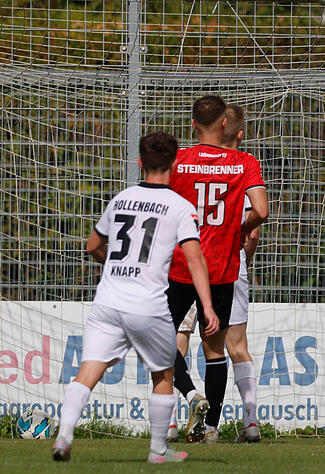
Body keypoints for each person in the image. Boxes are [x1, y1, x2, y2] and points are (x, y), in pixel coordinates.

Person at [51, 132, 218, 464]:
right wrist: (208, 306)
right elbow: (195, 258)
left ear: (140, 162)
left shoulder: (121, 199)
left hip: (109, 300)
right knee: (164, 376)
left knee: (88, 371)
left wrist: (115, 265)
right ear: (175, 164)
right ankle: (158, 451)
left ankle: (64, 436)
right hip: (148, 302)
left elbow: (93, 246)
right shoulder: (180, 207)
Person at [166, 96, 268, 443]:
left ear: (193, 123)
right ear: (224, 124)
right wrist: (240, 229)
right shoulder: (243, 163)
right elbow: (262, 212)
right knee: (216, 348)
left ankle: (186, 402)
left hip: (182, 265)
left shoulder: (178, 161)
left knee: (165, 339)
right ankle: (211, 432)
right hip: (223, 269)